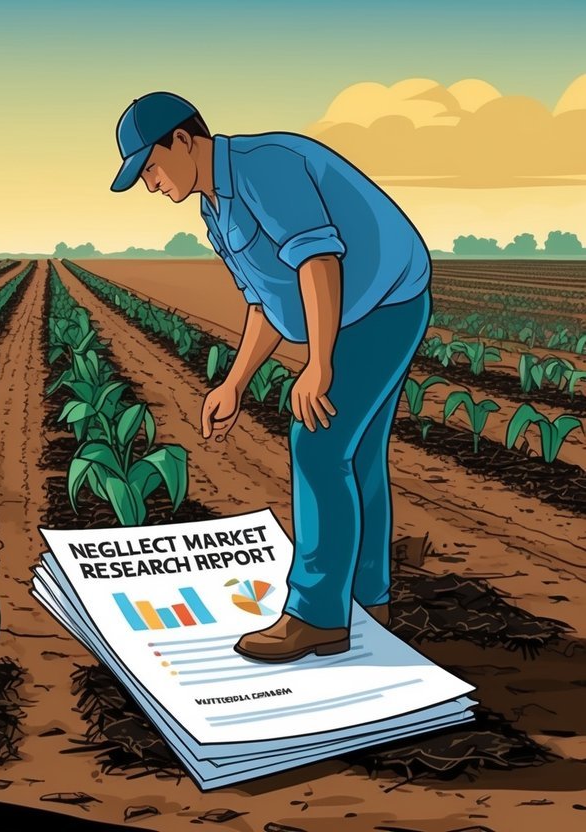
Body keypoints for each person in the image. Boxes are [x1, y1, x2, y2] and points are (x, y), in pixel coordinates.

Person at [109, 92, 431, 663]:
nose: (151, 185)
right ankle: (367, 599)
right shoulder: (214, 209)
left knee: (318, 444)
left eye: (151, 167)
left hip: (383, 304)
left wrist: (320, 363)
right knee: (354, 455)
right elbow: (268, 304)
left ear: (184, 140)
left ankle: (317, 617)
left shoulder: (266, 166)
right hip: (353, 308)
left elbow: (317, 262)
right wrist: (233, 384)